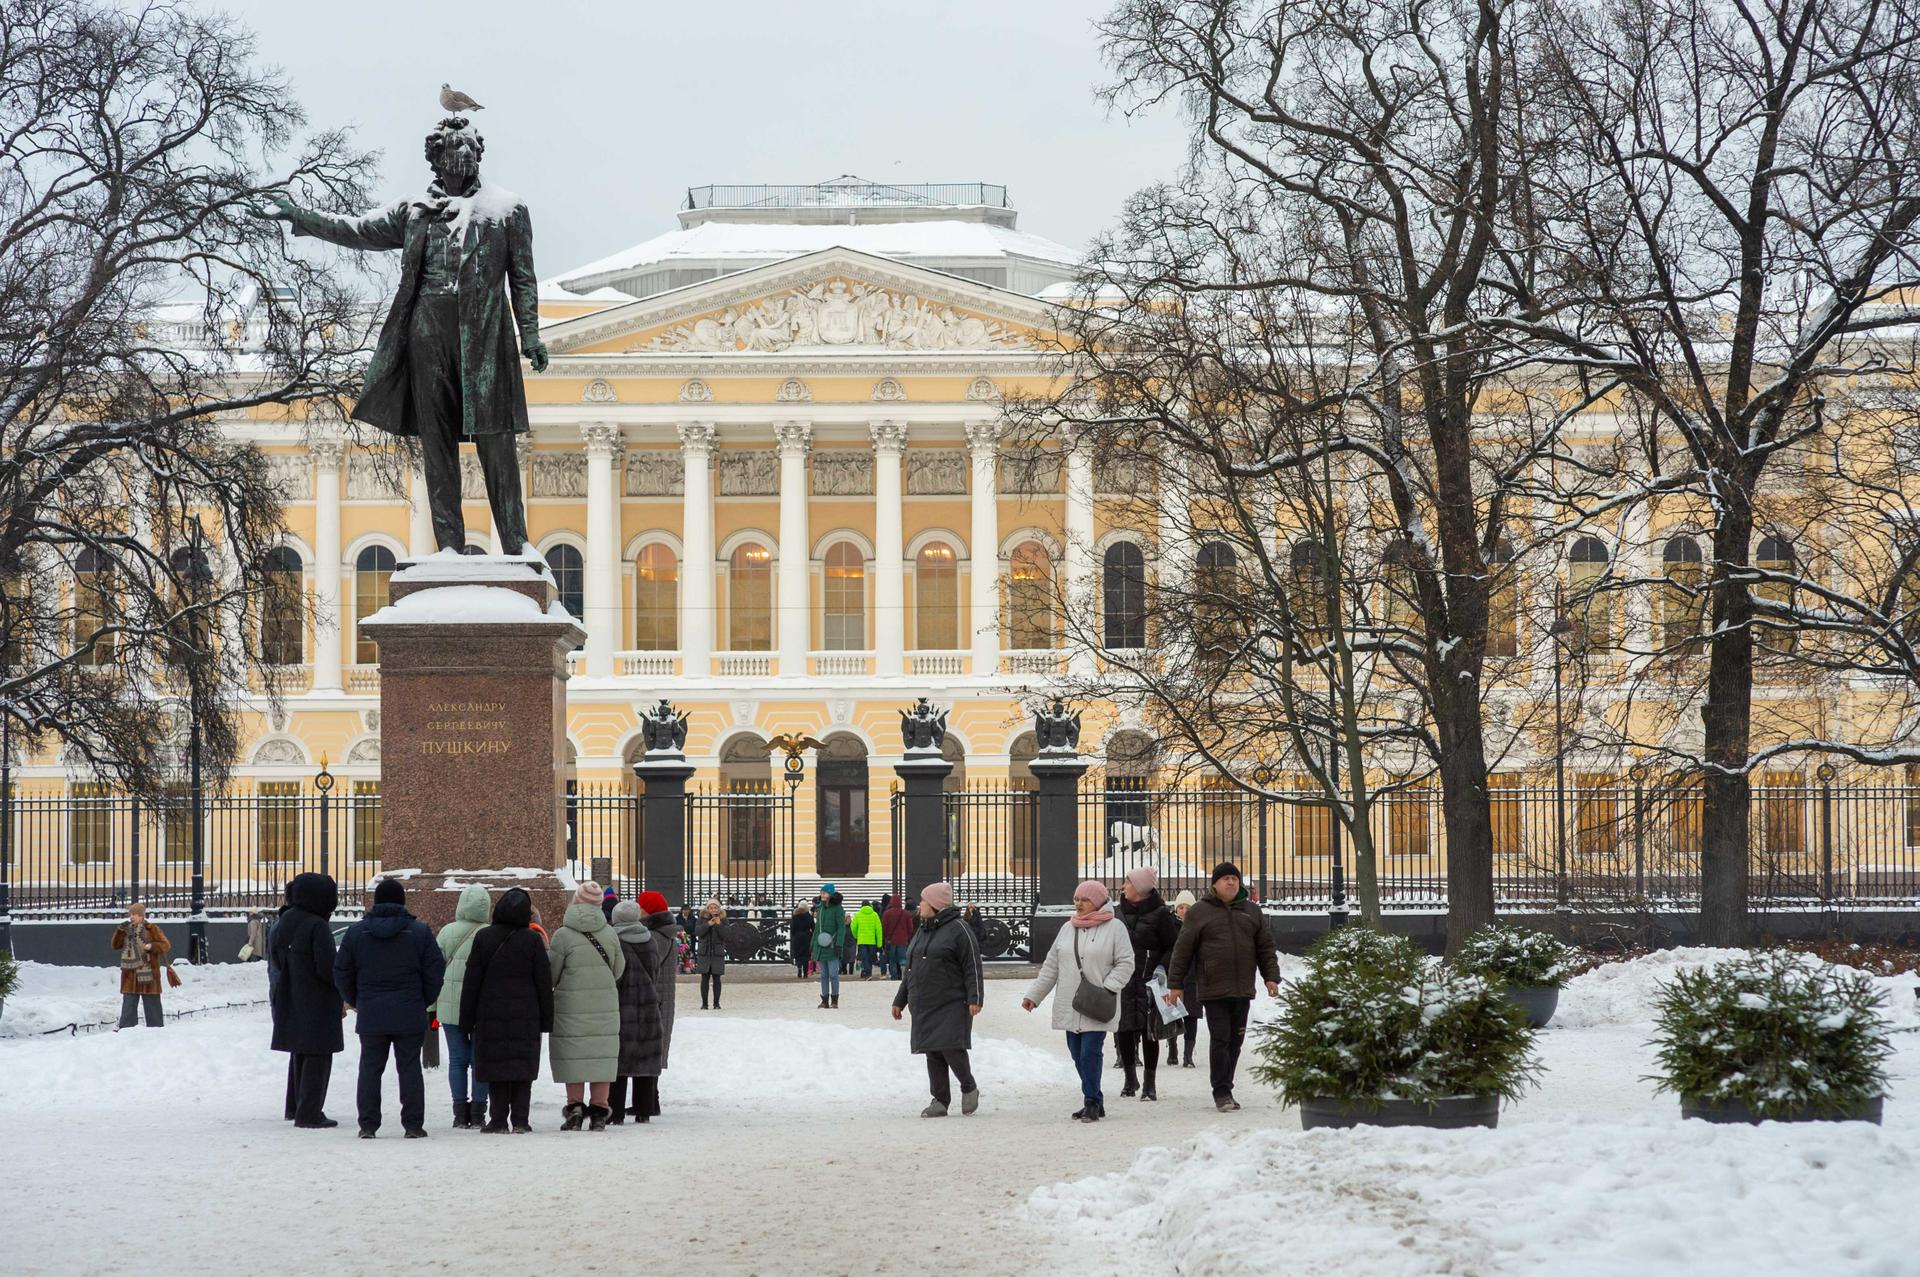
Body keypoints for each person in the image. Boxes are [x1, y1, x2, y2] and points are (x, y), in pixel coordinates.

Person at [334, 878, 445, 1139]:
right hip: (409, 1011)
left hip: (372, 1012)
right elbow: (435, 971)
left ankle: (368, 1125)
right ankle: (413, 1125)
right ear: (402, 901)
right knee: (409, 1068)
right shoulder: (419, 932)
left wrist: (358, 1000)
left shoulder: (357, 933)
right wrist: (423, 1000)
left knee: (370, 1068)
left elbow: (341, 971)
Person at [1167, 862, 1281, 1112]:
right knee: (1221, 1037)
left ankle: (1226, 1084)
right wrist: (1175, 984)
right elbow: (1183, 950)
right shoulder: (1200, 912)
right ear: (1215, 884)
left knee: (1236, 1040)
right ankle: (1221, 1091)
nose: (1231, 882)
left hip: (1242, 987)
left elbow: (1265, 946)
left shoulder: (1252, 912)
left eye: (1234, 878)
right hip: (1213, 987)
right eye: (1226, 878)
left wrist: (1270, 976)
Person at [1023, 880, 1135, 1122]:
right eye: (1077, 899)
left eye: (1085, 900)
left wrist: (1108, 988)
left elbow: (1126, 963)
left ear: (1098, 902)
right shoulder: (1068, 928)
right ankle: (1096, 1098)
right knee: (1076, 1054)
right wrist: (1034, 995)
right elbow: (1051, 965)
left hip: (1098, 1003)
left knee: (1089, 1054)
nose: (1079, 904)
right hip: (1070, 1003)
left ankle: (1092, 1102)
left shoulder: (1115, 928)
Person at [459, 887, 554, 1134]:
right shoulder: (533, 939)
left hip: (491, 1012)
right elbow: (544, 982)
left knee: (497, 1065)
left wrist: (466, 1019)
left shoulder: (484, 937)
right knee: (523, 1066)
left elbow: (472, 981)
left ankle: (499, 1119)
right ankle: (521, 1120)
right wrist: (546, 1020)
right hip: (527, 1013)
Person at [891, 882, 984, 1117]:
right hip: (924, 1001)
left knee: (951, 1046)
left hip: (952, 1000)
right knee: (932, 1050)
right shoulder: (922, 930)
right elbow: (911, 970)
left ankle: (968, 1085)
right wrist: (900, 1000)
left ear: (934, 905)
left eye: (923, 900)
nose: (919, 904)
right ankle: (940, 1100)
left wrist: (975, 997)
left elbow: (972, 965)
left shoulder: (959, 929)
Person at [269, 872, 344, 1129]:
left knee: (299, 1052)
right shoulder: (317, 926)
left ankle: (294, 1106)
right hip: (317, 999)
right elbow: (327, 968)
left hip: (290, 994)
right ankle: (310, 1112)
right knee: (319, 1054)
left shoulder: (285, 921)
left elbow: (277, 960)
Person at [549, 880, 625, 1131]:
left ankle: (575, 1108)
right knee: (601, 1058)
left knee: (574, 1056)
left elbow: (552, 973)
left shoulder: (562, 935)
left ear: (576, 902)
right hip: (604, 1006)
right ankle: (600, 1111)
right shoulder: (609, 933)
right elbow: (618, 969)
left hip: (570, 1007)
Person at [1113, 867, 1181, 1102]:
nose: (1124, 886)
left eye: (1128, 882)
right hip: (1123, 979)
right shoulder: (1117, 913)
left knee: (1149, 1032)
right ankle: (1130, 1079)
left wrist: (1161, 967)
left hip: (1149, 980)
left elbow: (1173, 946)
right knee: (1123, 1029)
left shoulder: (1161, 914)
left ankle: (1149, 1084)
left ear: (1141, 889)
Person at [433, 884, 493, 1128]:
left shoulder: (447, 932)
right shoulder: (489, 933)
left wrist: (431, 1007)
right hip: (481, 1005)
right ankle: (478, 1111)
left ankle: (459, 1112)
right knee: (480, 1059)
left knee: (457, 1060)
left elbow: (435, 970)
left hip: (449, 1005)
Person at [606, 900, 660, 1126]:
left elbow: (613, 973)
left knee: (619, 1061)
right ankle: (644, 1110)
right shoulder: (650, 939)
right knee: (646, 1058)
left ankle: (615, 1111)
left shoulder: (613, 940)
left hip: (621, 1004)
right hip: (648, 1003)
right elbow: (655, 970)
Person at [631, 890, 678, 1121]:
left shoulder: (656, 935)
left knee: (648, 1051)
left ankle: (650, 1102)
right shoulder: (662, 932)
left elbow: (648, 962)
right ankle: (648, 1100)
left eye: (640, 907)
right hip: (659, 996)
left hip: (655, 997)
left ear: (648, 911)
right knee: (649, 1051)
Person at [111, 903, 172, 1029]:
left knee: (152, 1004)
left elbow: (165, 945)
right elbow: (115, 945)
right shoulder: (126, 929)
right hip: (130, 974)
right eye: (130, 914)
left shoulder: (151, 929)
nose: (131, 917)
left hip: (149, 974)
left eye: (134, 914)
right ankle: (126, 1030)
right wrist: (119, 931)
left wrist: (152, 946)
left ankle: (156, 1030)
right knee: (129, 1004)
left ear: (141, 915)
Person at [1167, 890, 1200, 1068]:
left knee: (1191, 1015)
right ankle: (1173, 1050)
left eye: (1188, 907)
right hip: (1174, 976)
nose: (1184, 911)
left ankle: (1188, 1054)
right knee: (1172, 1014)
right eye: (1180, 907)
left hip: (1193, 976)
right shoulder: (1169, 927)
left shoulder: (1198, 926)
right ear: (1175, 909)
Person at [813, 884, 848, 1009]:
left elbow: (841, 928)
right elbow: (817, 929)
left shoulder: (838, 909)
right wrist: (813, 944)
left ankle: (834, 1000)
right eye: (821, 892)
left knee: (833, 974)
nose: (822, 894)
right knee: (823, 975)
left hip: (833, 946)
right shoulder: (820, 908)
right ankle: (824, 1000)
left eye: (824, 892)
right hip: (821, 946)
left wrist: (839, 944)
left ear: (830, 894)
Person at [692, 899, 727, 1010]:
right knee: (704, 979)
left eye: (715, 907)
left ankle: (716, 1003)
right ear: (707, 909)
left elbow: (727, 934)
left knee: (717, 979)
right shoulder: (701, 919)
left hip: (717, 953)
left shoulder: (724, 919)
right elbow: (697, 932)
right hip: (705, 953)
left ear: (718, 909)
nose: (713, 909)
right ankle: (704, 1004)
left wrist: (719, 924)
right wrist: (708, 924)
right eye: (711, 907)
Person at [881, 893, 916, 980]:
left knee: (892, 959)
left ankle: (894, 975)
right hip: (903, 941)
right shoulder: (906, 914)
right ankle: (904, 974)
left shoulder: (887, 914)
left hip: (891, 940)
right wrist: (907, 937)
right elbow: (910, 928)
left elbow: (884, 928)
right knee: (903, 958)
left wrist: (886, 937)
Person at [851, 898, 884, 979]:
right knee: (870, 957)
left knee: (864, 957)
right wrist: (879, 943)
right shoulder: (875, 915)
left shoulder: (858, 915)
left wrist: (856, 936)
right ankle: (868, 972)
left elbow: (853, 927)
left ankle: (867, 972)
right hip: (872, 941)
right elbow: (879, 930)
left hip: (862, 941)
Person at [788, 902, 815, 980]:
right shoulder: (809, 917)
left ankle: (799, 968)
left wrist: (795, 934)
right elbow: (813, 927)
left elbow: (792, 928)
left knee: (798, 954)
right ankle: (805, 973)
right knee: (806, 955)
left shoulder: (795, 916)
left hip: (797, 937)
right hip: (807, 937)